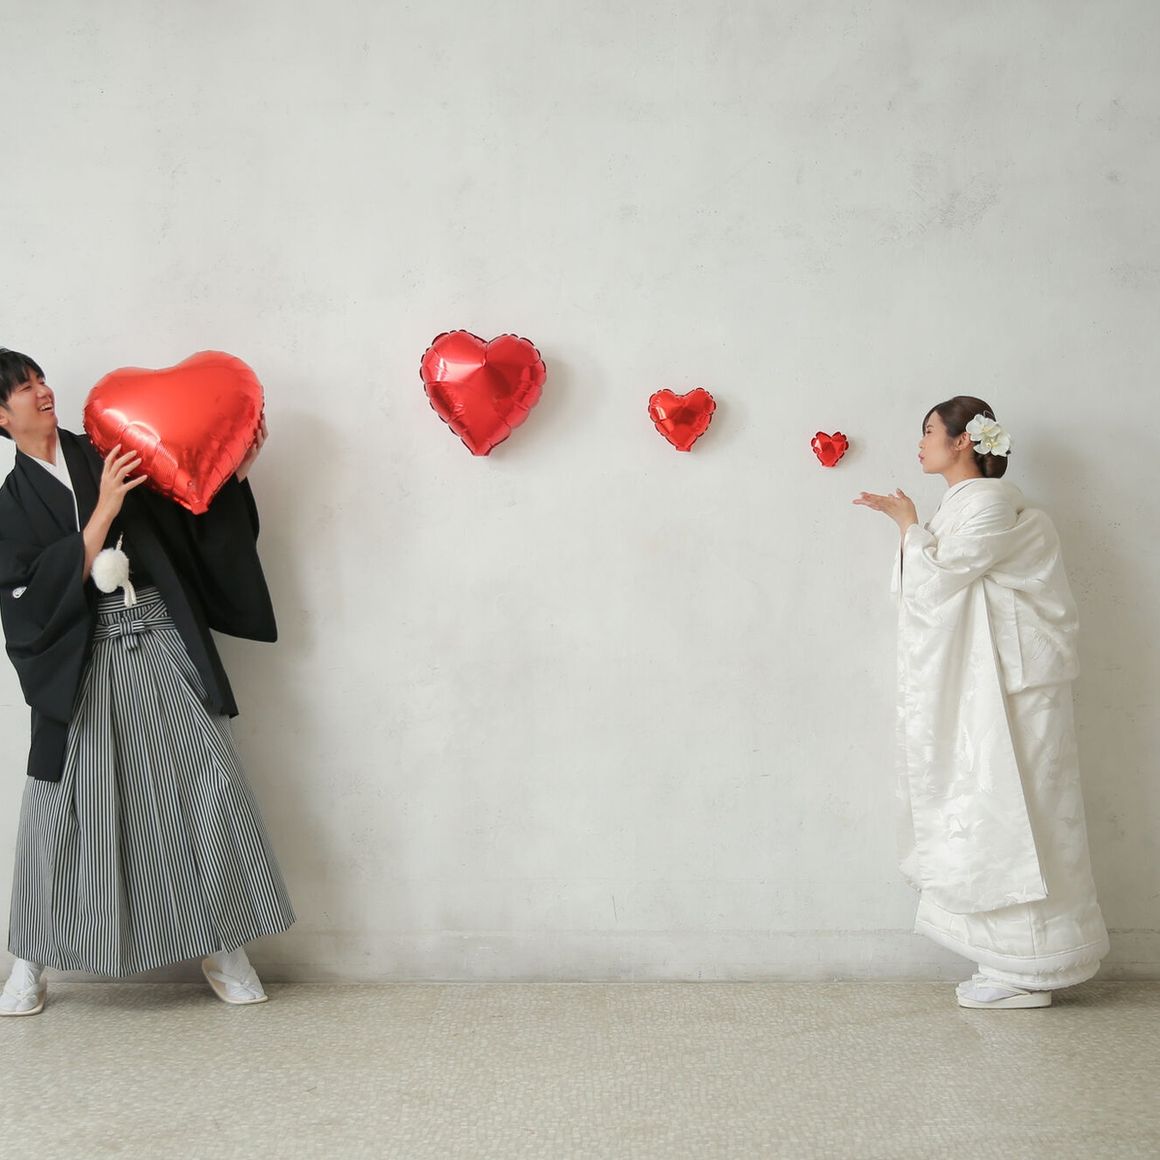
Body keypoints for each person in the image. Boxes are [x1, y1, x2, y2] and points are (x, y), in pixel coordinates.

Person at [0, 348, 294, 1016]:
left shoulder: (107, 450)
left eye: (41, 378)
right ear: (1, 416)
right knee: (60, 808)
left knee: (206, 784)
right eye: (23, 388)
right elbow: (27, 603)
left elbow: (184, 516)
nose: (41, 391)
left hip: (155, 636)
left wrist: (233, 475)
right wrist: (103, 513)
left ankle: (226, 949)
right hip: (77, 662)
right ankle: (30, 964)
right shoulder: (10, 506)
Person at [855, 397, 1108, 1009]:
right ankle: (1007, 959)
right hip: (994, 680)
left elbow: (941, 578)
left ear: (964, 440)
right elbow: (932, 584)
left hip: (1014, 684)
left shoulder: (990, 504)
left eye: (928, 431)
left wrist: (908, 525)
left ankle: (1030, 965)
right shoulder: (964, 505)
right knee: (997, 804)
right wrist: (914, 527)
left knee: (1025, 809)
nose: (920, 443)